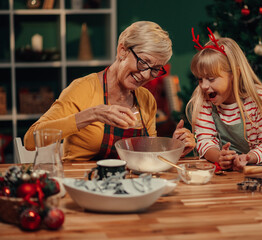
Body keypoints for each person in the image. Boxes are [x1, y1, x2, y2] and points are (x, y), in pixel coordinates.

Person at [24, 21, 195, 161]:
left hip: (129, 186)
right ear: (122, 51)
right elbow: (30, 140)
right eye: (143, 62)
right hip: (81, 182)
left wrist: (174, 148)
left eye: (155, 69)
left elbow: (146, 156)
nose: (145, 75)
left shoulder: (146, 99)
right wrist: (92, 114)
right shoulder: (83, 89)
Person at [186, 28, 262, 171]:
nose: (204, 86)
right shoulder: (203, 99)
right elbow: (205, 142)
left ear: (235, 74)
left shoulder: (259, 98)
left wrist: (248, 157)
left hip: (254, 172)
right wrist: (220, 157)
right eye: (200, 79)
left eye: (211, 79)